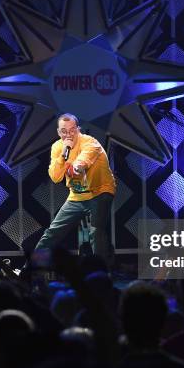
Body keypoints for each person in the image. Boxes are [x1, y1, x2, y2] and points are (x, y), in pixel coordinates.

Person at [32, 114, 116, 267]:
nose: (68, 135)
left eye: (72, 130)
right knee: (52, 232)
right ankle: (31, 268)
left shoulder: (90, 142)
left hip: (100, 192)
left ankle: (102, 272)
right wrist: (64, 155)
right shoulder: (58, 147)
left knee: (96, 232)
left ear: (78, 129)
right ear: (59, 132)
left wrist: (76, 166)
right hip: (77, 196)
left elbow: (83, 160)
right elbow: (55, 177)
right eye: (64, 131)